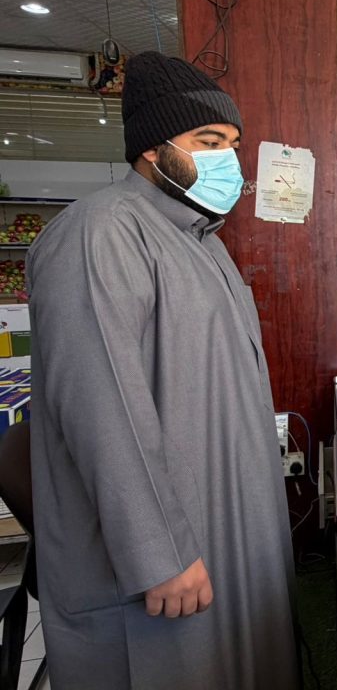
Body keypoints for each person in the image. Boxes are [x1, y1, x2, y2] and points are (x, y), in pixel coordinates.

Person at [27, 52, 299, 690]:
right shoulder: (101, 233)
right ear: (153, 148)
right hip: (163, 557)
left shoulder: (201, 239)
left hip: (220, 510)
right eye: (209, 141)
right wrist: (160, 555)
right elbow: (103, 407)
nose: (227, 160)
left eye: (232, 144)